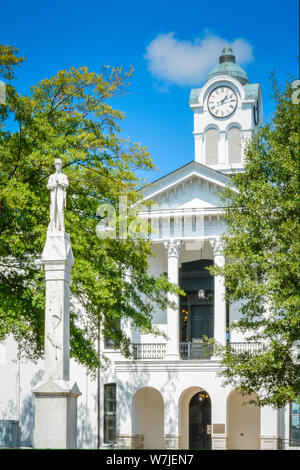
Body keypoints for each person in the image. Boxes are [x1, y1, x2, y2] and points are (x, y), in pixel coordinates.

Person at [47, 158, 69, 231]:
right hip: (53, 194)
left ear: (61, 165)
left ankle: (62, 227)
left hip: (60, 193)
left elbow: (67, 185)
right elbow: (48, 186)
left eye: (59, 164)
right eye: (56, 164)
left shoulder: (63, 176)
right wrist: (53, 184)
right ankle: (53, 227)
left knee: (60, 209)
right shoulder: (52, 176)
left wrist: (60, 182)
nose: (57, 166)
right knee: (53, 210)